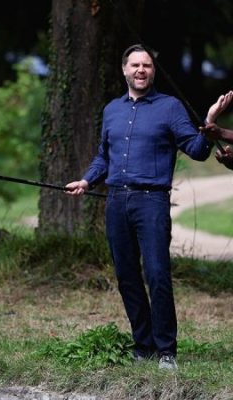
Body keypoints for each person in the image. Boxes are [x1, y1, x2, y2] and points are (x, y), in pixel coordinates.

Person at [65, 44, 229, 370]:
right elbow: (104, 157)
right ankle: (144, 347)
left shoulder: (169, 107)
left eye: (147, 66)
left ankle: (166, 351)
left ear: (153, 71)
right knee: (127, 277)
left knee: (156, 274)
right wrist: (86, 180)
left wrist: (210, 123)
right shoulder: (112, 110)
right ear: (124, 69)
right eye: (135, 65)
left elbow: (197, 150)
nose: (141, 70)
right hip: (116, 201)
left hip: (151, 202)